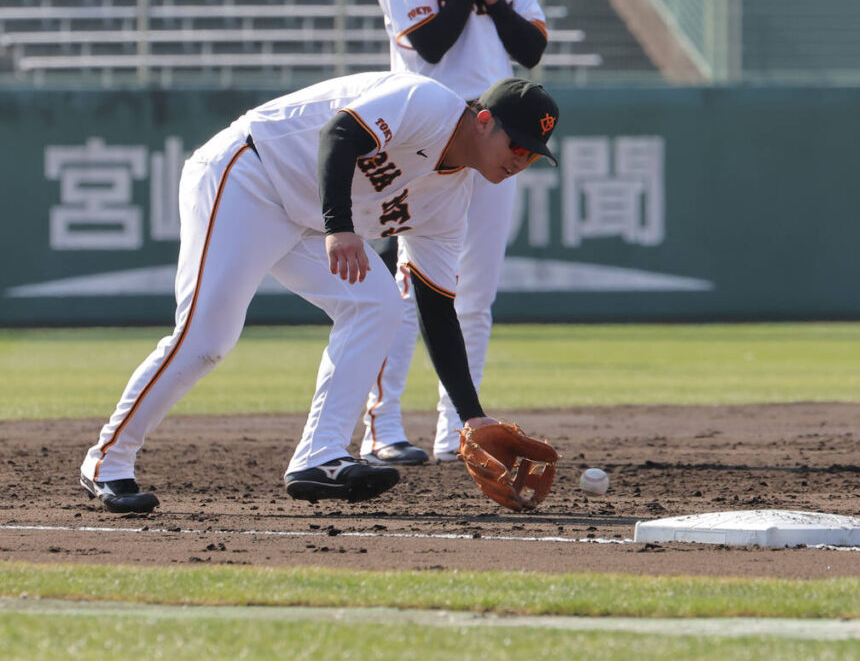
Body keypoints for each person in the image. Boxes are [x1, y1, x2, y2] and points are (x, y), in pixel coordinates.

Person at [79, 71, 559, 514]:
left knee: (378, 305)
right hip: (250, 175)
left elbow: (437, 307)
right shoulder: (429, 102)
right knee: (207, 338)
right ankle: (109, 460)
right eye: (517, 144)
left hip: (308, 219)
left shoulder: (450, 203)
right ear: (482, 121)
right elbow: (341, 134)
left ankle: (319, 456)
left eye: (534, 153)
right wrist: (340, 227)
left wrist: (470, 417)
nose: (522, 160)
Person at [360, 0, 549, 466]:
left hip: (493, 138)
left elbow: (531, 49)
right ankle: (382, 427)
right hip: (424, 135)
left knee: (477, 295)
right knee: (412, 291)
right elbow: (431, 48)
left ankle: (454, 432)